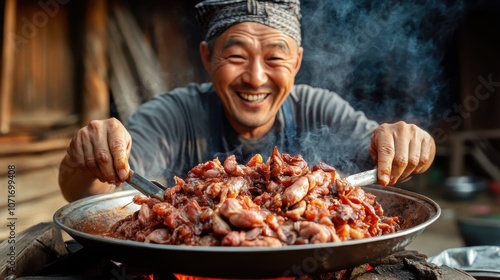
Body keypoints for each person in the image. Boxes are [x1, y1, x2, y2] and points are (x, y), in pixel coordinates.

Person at [59, 0, 435, 202]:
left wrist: (414, 143)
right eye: (236, 57)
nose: (256, 78)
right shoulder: (170, 116)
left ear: (297, 63)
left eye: (275, 59)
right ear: (207, 59)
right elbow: (92, 195)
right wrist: (84, 160)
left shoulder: (320, 108)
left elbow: (383, 152)